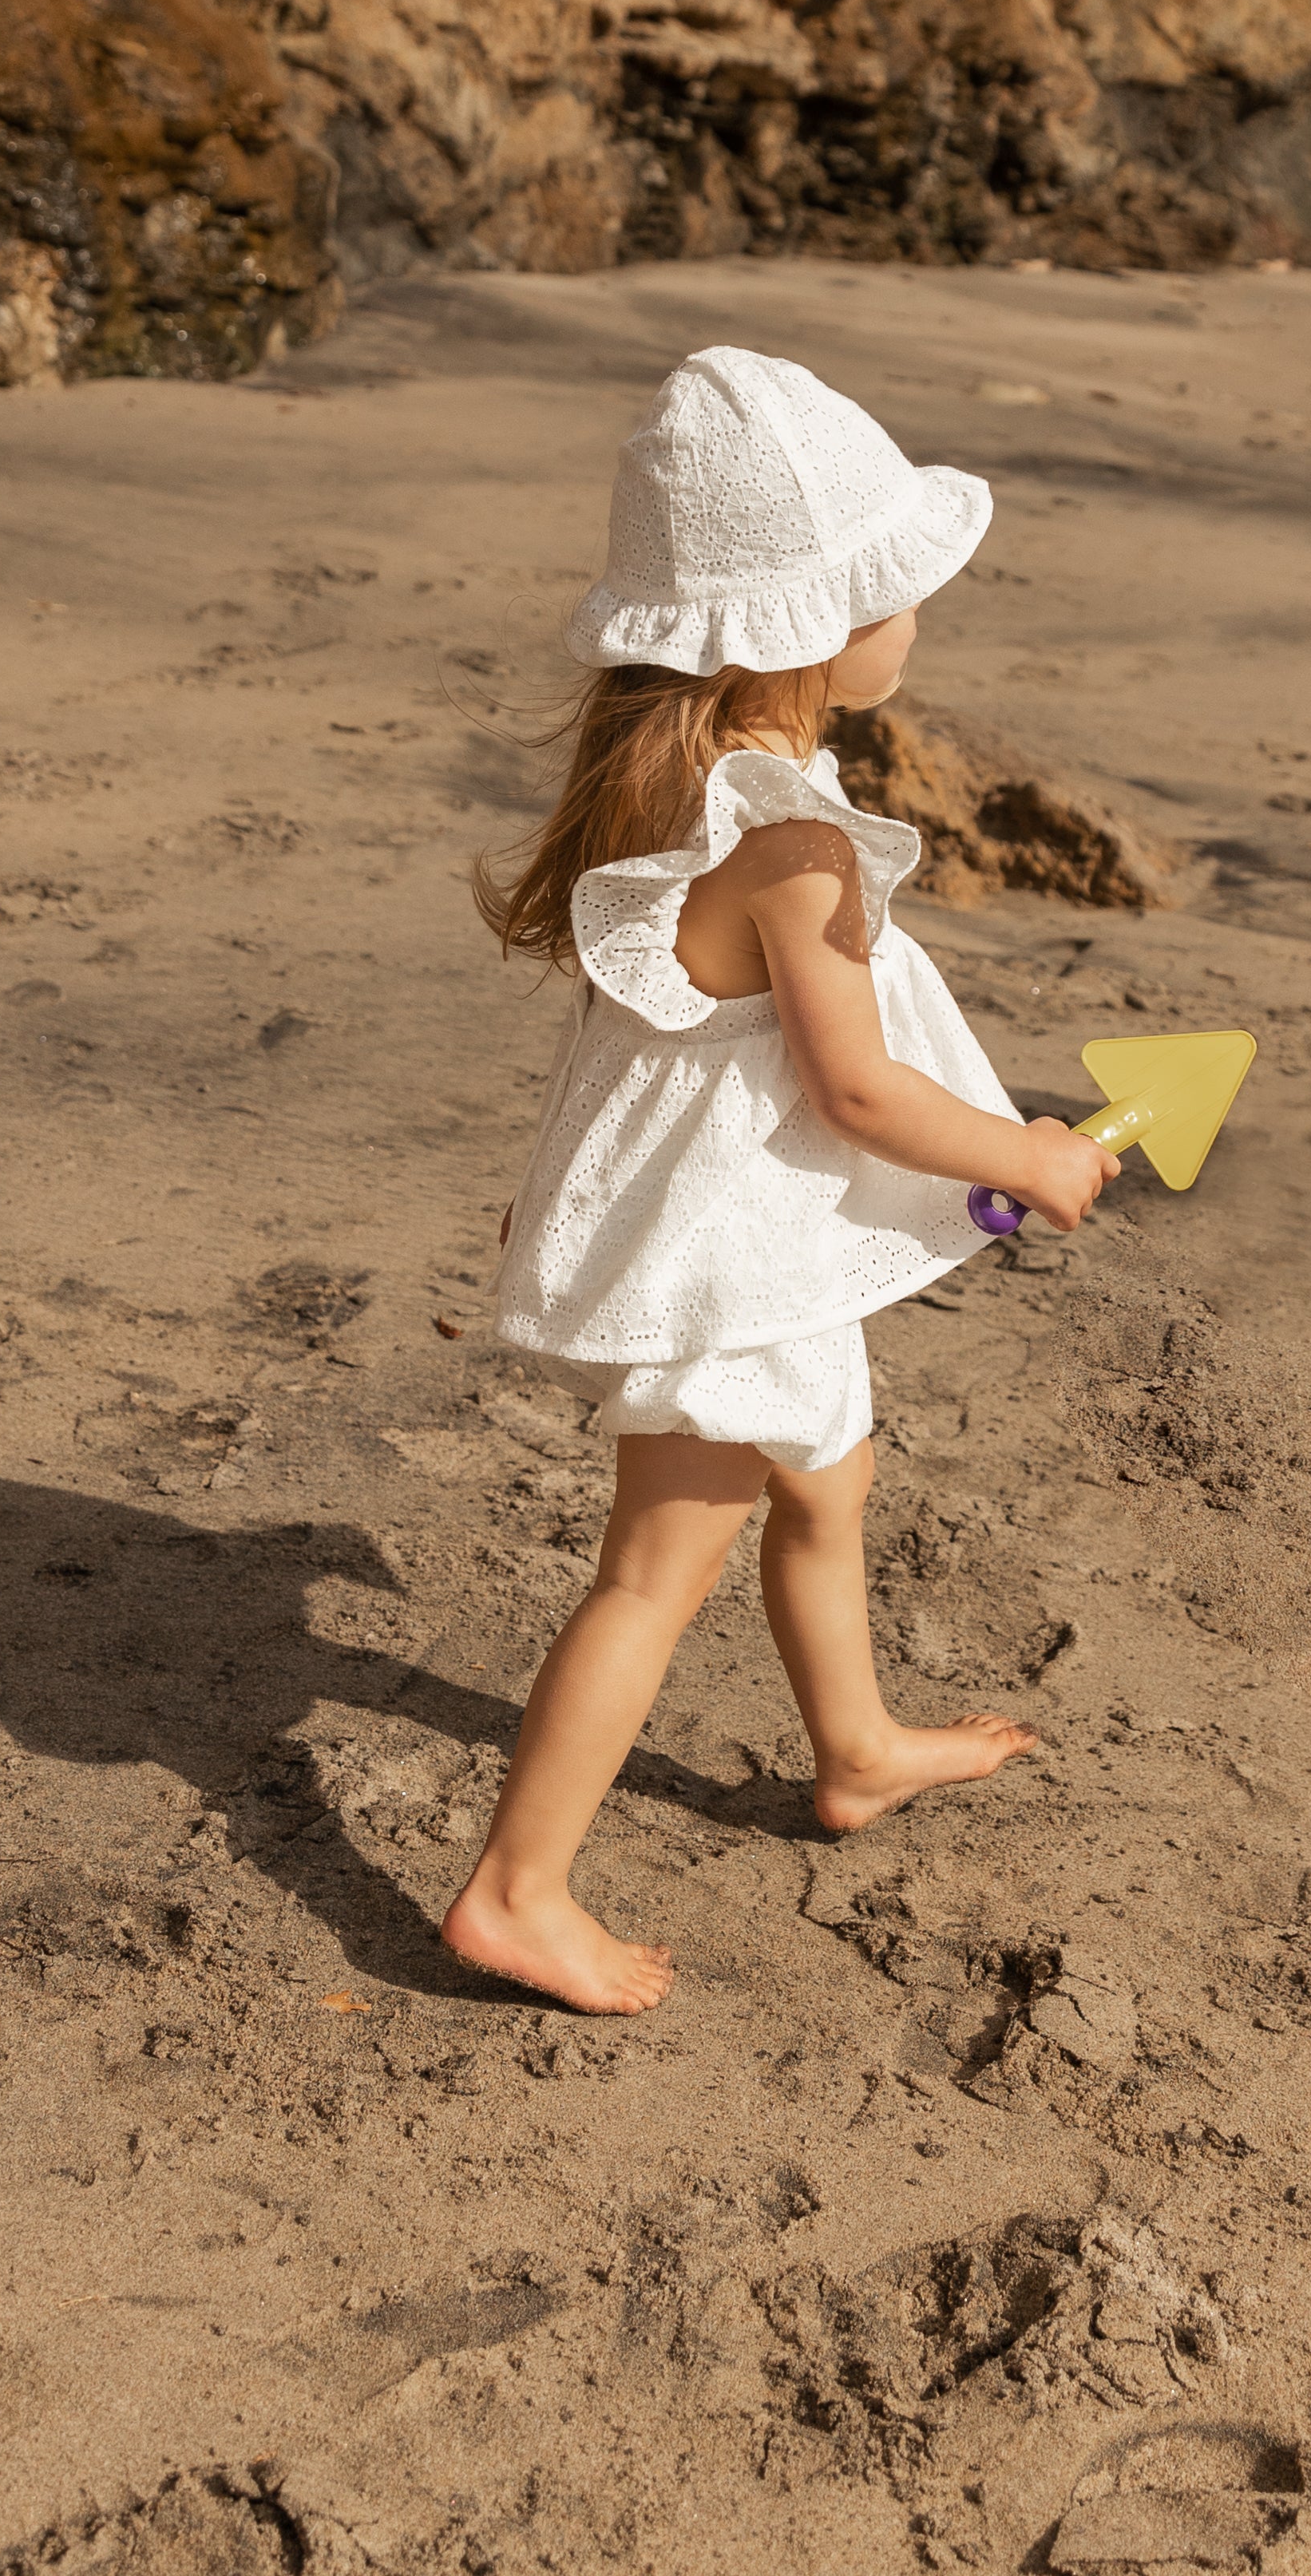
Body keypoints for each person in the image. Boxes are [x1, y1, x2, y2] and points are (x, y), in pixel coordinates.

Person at [440, 346, 1118, 2014]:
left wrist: (559, 1199)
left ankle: (858, 1743)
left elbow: (633, 1051)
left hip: (737, 1236)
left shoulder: (677, 788)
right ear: (811, 628)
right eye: (898, 591)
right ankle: (518, 1892)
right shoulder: (792, 847)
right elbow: (862, 1088)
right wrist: (1026, 1153)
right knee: (654, 1572)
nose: (916, 621)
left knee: (832, 1479)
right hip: (732, 1269)